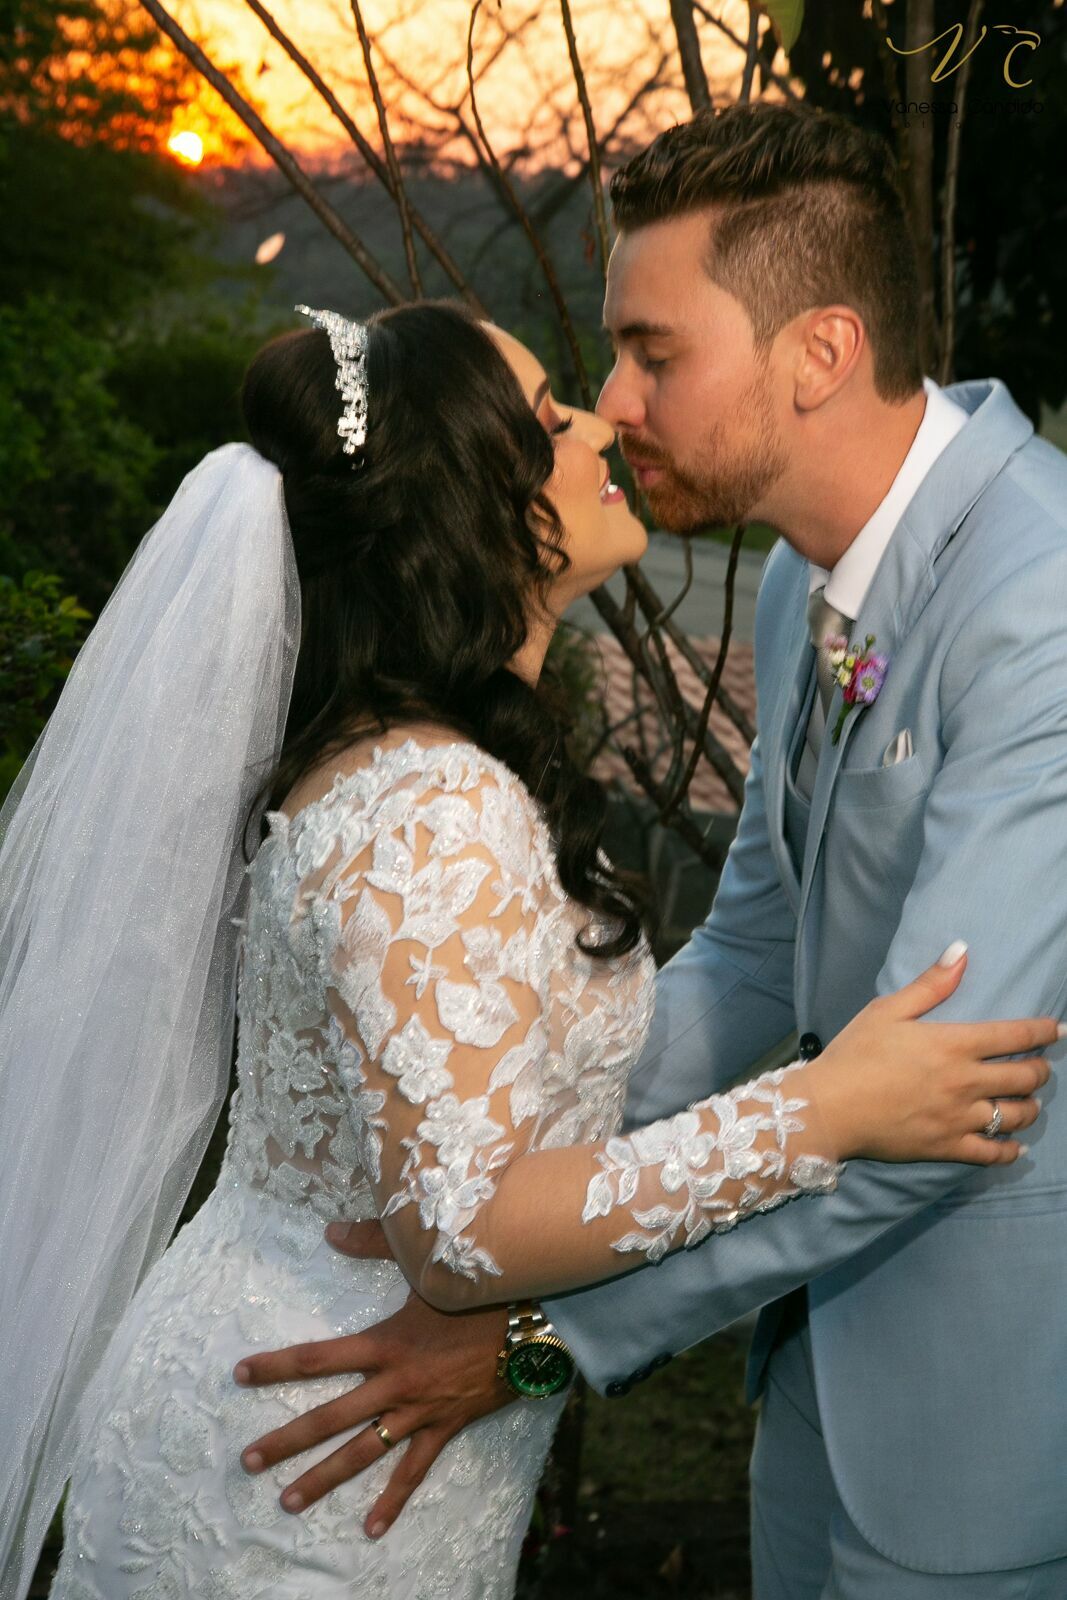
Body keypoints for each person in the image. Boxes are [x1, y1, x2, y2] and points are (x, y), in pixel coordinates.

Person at [0, 296, 1052, 1600]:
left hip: (324, 1398)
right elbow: (462, 1238)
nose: (602, 415)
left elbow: (508, 1105)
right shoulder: (435, 810)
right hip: (325, 1450)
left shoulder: (402, 763)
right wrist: (822, 1108)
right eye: (550, 412)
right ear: (473, 503)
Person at [226, 105, 1067, 1598]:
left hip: (982, 1417)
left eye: (655, 352)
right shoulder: (796, 590)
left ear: (819, 353)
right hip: (807, 1377)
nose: (614, 403)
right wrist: (505, 1159)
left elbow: (952, 1096)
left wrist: (544, 1343)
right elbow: (751, 953)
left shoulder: (1042, 601)